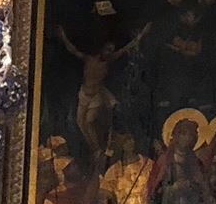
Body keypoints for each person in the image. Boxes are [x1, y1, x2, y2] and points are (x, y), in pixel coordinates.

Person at [58, 20, 150, 161]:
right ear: (102, 49)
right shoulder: (89, 59)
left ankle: (97, 149)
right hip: (84, 94)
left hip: (96, 95)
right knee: (80, 121)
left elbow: (127, 47)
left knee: (89, 121)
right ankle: (93, 147)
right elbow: (73, 50)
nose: (109, 52)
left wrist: (142, 34)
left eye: (111, 50)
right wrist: (63, 36)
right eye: (107, 49)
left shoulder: (109, 61)